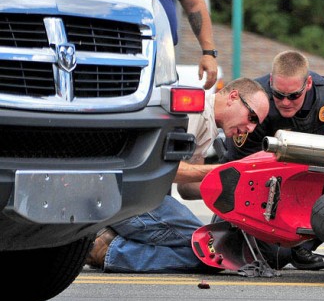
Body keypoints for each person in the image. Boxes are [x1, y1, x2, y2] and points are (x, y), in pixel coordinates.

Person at [223, 50, 324, 270]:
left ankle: (305, 244)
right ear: (271, 82)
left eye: (293, 96)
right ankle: (288, 248)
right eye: (278, 94)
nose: (285, 102)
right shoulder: (255, 100)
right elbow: (235, 172)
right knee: (275, 258)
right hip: (261, 183)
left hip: (310, 177)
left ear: (308, 84)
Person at [85, 78, 269, 272]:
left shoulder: (208, 125)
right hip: (128, 197)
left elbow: (186, 188)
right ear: (233, 97)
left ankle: (109, 243)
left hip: (132, 196)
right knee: (211, 251)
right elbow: (162, 169)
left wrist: (241, 190)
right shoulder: (193, 109)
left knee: (211, 254)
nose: (251, 128)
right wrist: (228, 171)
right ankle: (108, 251)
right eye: (252, 117)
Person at [109, 0, 219, 89]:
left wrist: (209, 53)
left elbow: (194, 3)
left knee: (158, 107)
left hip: (161, 58)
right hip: (107, 54)